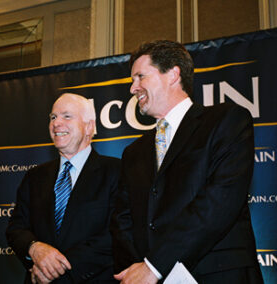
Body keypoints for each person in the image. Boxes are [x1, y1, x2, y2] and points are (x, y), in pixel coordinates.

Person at [110, 40, 263, 284]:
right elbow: (122, 221)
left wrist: (155, 266)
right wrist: (138, 270)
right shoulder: (134, 152)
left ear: (172, 74)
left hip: (217, 274)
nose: (133, 88)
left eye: (140, 77)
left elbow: (219, 201)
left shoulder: (226, 121)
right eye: (132, 81)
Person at [6, 93, 120, 283]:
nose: (56, 123)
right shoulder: (34, 176)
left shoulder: (117, 171)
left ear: (89, 127)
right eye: (53, 117)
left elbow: (115, 234)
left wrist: (53, 268)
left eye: (67, 116)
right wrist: (34, 248)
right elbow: (16, 229)